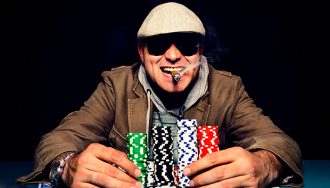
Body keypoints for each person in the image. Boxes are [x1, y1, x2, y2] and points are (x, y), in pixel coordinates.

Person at [17, 2, 303, 188]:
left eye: (187, 45)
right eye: (159, 45)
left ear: (200, 51)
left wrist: (263, 165)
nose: (174, 56)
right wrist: (66, 166)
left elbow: (280, 143)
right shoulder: (116, 86)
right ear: (141, 52)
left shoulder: (227, 89)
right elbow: (56, 140)